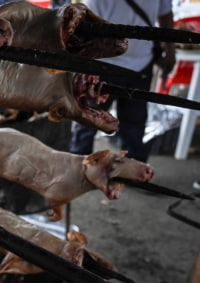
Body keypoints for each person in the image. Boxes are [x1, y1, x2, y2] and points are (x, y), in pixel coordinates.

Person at [70, 0, 176, 163]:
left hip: (141, 64)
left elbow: (165, 13)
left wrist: (170, 48)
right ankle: (77, 165)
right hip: (102, 64)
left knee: (134, 121)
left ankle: (133, 169)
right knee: (88, 119)